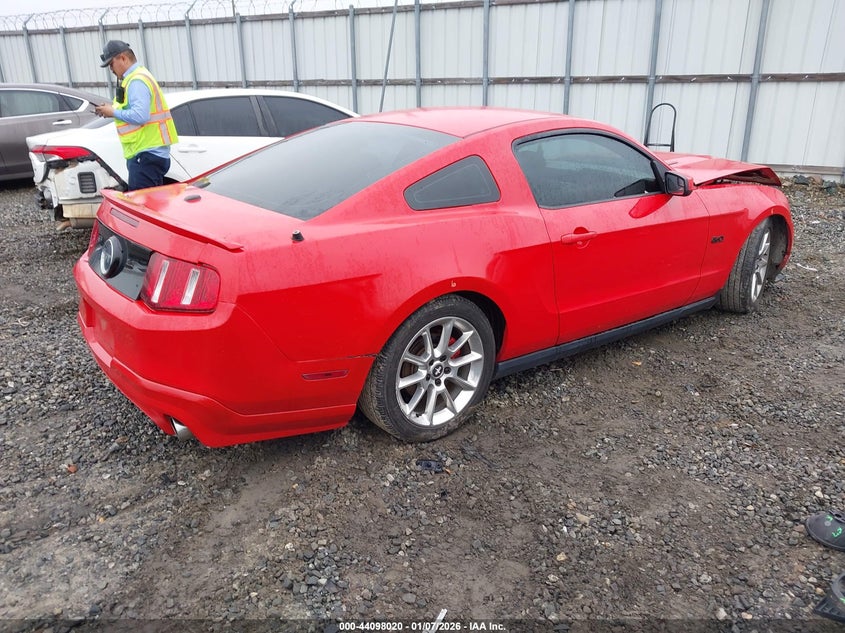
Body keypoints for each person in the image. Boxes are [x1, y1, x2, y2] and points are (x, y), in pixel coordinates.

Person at [94, 40, 178, 191]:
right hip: (149, 154)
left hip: (146, 154)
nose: (111, 69)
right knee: (152, 205)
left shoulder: (136, 80)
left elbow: (140, 115)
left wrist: (112, 112)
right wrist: (112, 110)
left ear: (123, 58)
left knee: (142, 206)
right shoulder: (138, 77)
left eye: (111, 64)